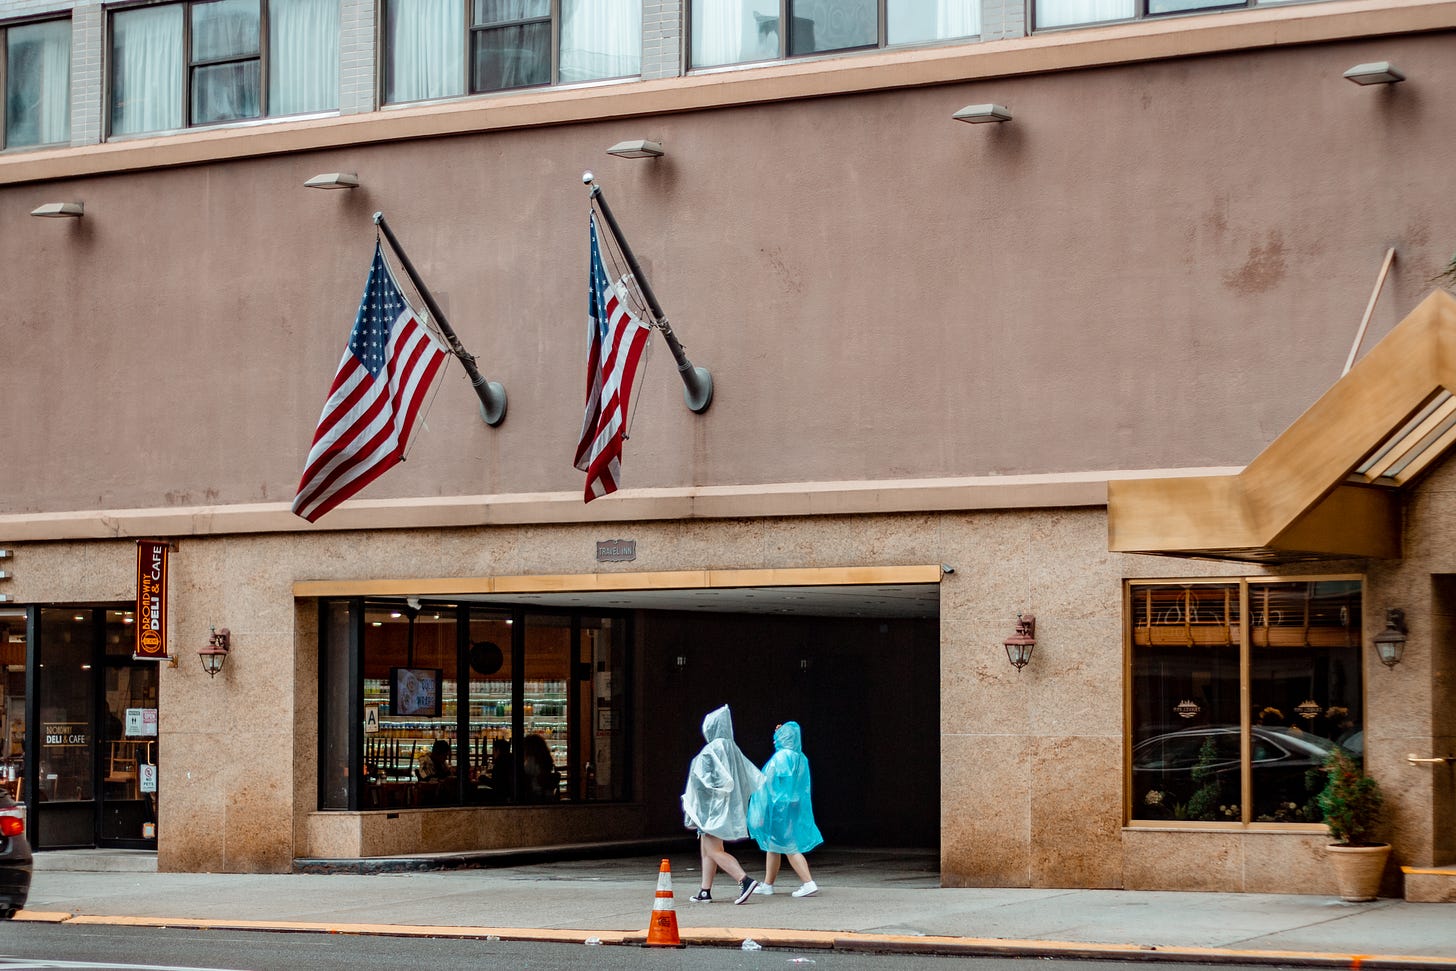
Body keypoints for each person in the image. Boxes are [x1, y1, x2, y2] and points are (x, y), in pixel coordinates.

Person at [681, 704, 765, 904]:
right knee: (707, 849)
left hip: (711, 809)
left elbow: (702, 779)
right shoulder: (732, 748)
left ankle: (744, 880)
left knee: (713, 850)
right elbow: (747, 776)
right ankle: (705, 891)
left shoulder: (711, 750)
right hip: (724, 808)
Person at [748, 720, 824, 897]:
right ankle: (768, 884)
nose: (774, 739)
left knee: (789, 846)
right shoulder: (800, 757)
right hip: (792, 807)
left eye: (778, 736)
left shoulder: (782, 757)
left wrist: (763, 810)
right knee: (773, 845)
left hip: (780, 810)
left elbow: (773, 785)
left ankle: (808, 882)